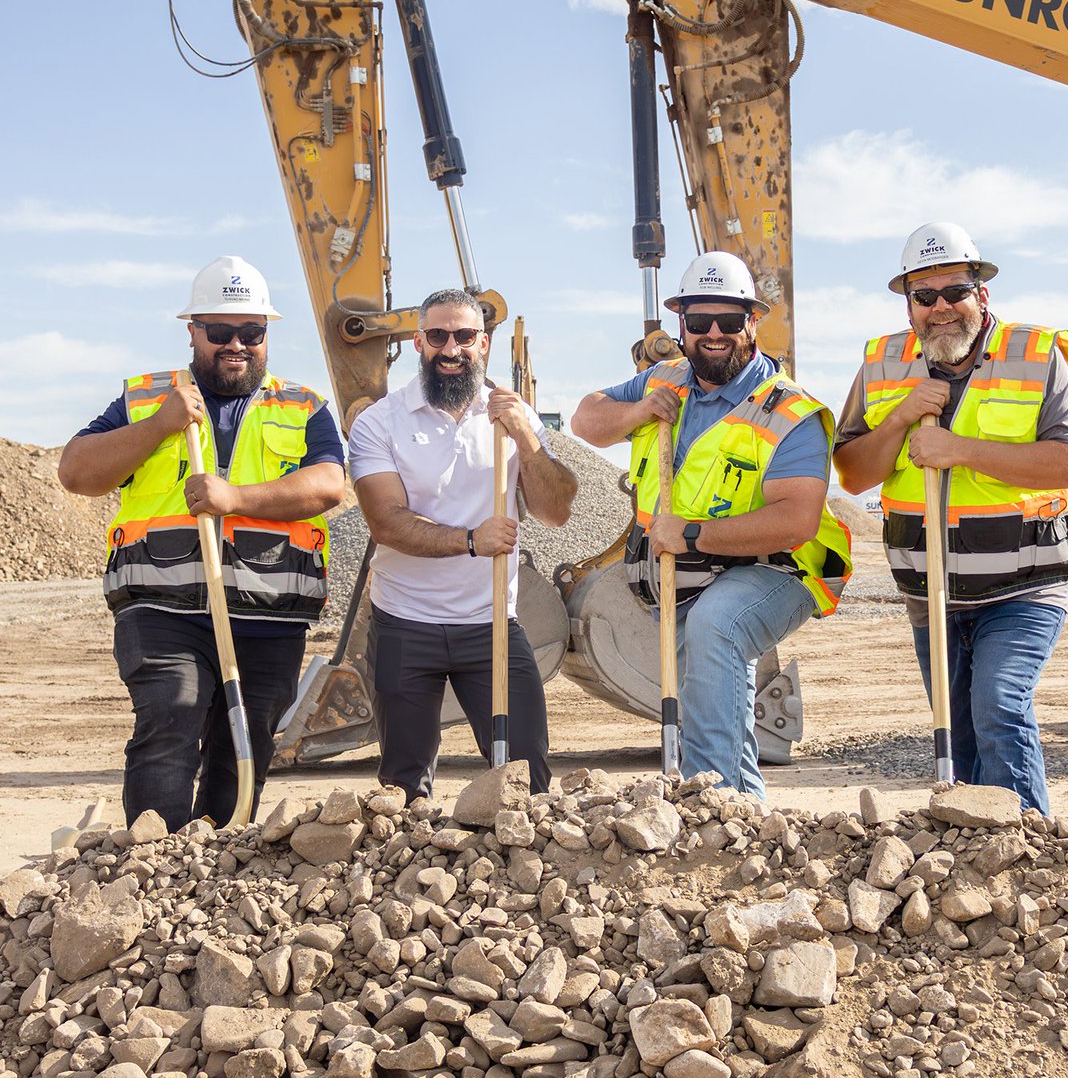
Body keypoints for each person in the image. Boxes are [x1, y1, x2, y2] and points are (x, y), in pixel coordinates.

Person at [58, 256, 345, 831]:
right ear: (192, 332)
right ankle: (155, 865)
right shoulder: (145, 400)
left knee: (247, 738)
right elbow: (77, 472)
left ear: (267, 334)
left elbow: (327, 485)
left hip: (270, 614)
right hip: (164, 609)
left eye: (251, 332)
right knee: (172, 717)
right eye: (219, 332)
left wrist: (234, 497)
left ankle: (217, 861)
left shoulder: (303, 405)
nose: (235, 344)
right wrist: (158, 426)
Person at [833, 222, 1068, 814]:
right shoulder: (881, 364)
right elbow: (851, 474)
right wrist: (900, 419)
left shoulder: (1034, 355)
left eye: (954, 291)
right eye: (924, 297)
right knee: (958, 730)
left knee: (999, 703)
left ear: (982, 294)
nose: (940, 308)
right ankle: (977, 849)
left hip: (1025, 583)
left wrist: (961, 449)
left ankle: (1028, 846)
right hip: (930, 590)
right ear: (909, 307)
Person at [572, 251, 852, 800]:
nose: (715, 333)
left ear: (754, 322)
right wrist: (637, 412)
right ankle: (748, 819)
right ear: (682, 327)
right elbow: (586, 420)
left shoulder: (788, 413)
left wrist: (692, 535)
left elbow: (795, 520)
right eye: (700, 322)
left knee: (716, 629)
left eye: (729, 320)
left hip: (778, 569)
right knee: (711, 699)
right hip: (687, 576)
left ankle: (711, 801)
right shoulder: (665, 379)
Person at [348, 288, 577, 803]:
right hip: (405, 622)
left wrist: (528, 439)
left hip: (491, 622)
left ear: (485, 344)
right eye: (437, 336)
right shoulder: (380, 422)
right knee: (403, 787)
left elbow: (557, 511)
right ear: (417, 343)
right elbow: (386, 523)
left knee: (525, 779)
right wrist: (472, 541)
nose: (451, 349)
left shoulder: (509, 419)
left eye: (464, 336)